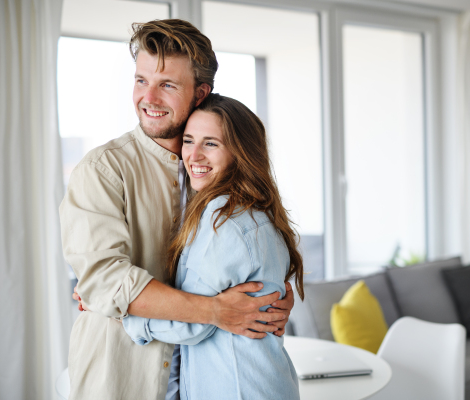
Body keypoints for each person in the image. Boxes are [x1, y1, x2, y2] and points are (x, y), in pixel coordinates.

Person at [60, 19, 294, 400]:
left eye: (167, 84)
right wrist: (216, 311)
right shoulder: (103, 169)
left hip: (199, 382)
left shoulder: (215, 175)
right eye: (141, 80)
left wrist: (271, 299)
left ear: (200, 93)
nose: (148, 98)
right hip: (124, 381)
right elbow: (105, 283)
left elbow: (245, 263)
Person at [123, 93, 304, 400]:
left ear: (240, 153)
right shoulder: (256, 212)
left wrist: (119, 309)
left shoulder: (224, 220)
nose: (193, 155)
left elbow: (193, 324)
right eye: (189, 140)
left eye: (211, 143)